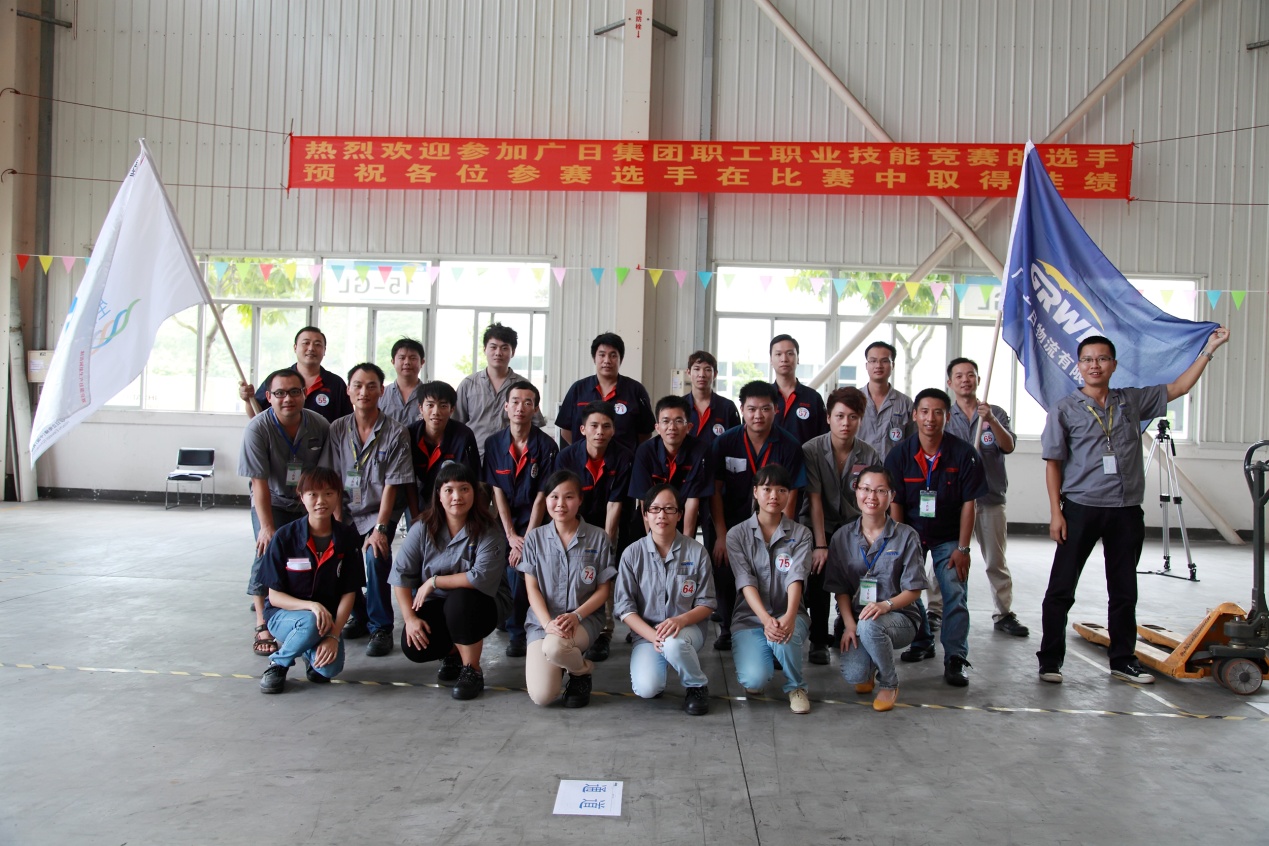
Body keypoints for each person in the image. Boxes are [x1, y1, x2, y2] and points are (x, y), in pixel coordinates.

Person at [1038, 328, 1230, 685]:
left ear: (1113, 364)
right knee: (1061, 589)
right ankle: (1050, 661)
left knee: (1124, 591)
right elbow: (1053, 464)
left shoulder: (1131, 400)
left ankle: (1123, 660)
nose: (1095, 365)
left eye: (1102, 359)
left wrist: (1209, 348)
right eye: (1087, 359)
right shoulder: (1064, 409)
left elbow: (1179, 387)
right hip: (1080, 508)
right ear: (1079, 366)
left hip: (1126, 511)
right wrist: (1056, 512)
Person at [884, 388, 987, 687]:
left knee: (954, 591)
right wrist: (901, 545)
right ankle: (923, 640)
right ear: (915, 415)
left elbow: (970, 504)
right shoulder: (900, 455)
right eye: (925, 411)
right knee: (908, 586)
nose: (931, 418)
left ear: (948, 416)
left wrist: (963, 548)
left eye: (938, 412)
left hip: (949, 536)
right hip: (912, 535)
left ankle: (955, 657)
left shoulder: (964, 454)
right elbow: (896, 503)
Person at [389, 462, 511, 700]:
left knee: (460, 602)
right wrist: (410, 619)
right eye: (449, 490)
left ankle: (472, 670)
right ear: (439, 495)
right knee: (414, 646)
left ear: (474, 493)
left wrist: (434, 582)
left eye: (464, 489)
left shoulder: (489, 530)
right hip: (438, 603)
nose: (457, 497)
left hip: (483, 602)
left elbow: (480, 578)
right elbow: (401, 575)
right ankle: (452, 652)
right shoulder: (422, 528)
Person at [321, 363, 415, 658]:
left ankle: (380, 627)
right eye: (358, 386)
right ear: (349, 391)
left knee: (376, 555)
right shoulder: (337, 428)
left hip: (379, 510)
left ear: (381, 391)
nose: (364, 392)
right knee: (340, 557)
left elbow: (392, 485)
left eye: (371, 386)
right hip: (346, 509)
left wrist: (381, 529)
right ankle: (358, 615)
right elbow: (332, 478)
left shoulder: (396, 432)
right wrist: (338, 522)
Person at [238, 368, 330, 656]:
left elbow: (323, 476)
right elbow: (259, 483)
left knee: (311, 553)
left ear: (305, 394)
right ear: (269, 397)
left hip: (306, 502)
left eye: (294, 392)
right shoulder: (257, 429)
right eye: (279, 393)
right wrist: (267, 527)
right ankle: (262, 622)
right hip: (273, 500)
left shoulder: (319, 425)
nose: (287, 398)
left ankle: (306, 612)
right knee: (267, 549)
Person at [709, 380, 807, 651]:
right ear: (741, 409)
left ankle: (773, 624)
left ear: (776, 410)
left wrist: (782, 537)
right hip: (731, 522)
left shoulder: (789, 446)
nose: (758, 415)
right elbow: (714, 491)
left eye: (765, 409)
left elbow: (792, 494)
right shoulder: (725, 442)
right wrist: (721, 535)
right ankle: (728, 628)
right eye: (751, 409)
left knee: (773, 574)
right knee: (726, 571)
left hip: (773, 524)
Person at [824, 466, 927, 711]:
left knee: (870, 626)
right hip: (858, 618)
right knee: (855, 675)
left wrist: (885, 605)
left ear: (892, 495)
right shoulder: (842, 537)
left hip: (899, 616)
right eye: (866, 489)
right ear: (856, 492)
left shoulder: (906, 536)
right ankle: (869, 666)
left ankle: (889, 683)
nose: (872, 496)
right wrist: (849, 624)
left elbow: (914, 590)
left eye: (881, 491)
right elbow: (840, 590)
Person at [257, 467, 364, 694]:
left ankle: (307, 648)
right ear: (302, 496)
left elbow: (350, 592)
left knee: (327, 670)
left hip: (326, 621)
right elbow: (274, 597)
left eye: (328, 493)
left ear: (338, 495)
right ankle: (278, 663)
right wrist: (311, 606)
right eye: (313, 494)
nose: (321, 501)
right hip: (283, 616)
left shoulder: (347, 537)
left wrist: (334, 635)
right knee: (310, 621)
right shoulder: (284, 537)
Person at [944, 357, 1028, 638]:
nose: (965, 380)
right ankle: (935, 610)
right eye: (959, 376)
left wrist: (990, 420)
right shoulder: (945, 416)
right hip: (955, 502)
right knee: (946, 557)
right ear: (950, 382)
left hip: (990, 498)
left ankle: (1003, 613)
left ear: (979, 380)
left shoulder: (995, 413)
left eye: (970, 375)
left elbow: (1008, 446)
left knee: (995, 561)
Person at [615, 483, 716, 715]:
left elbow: (707, 602)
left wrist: (680, 621)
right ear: (645, 514)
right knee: (646, 688)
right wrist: (653, 637)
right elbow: (624, 608)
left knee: (674, 643)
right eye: (655, 509)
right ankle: (663, 663)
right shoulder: (632, 554)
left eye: (669, 509)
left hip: (687, 630)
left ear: (679, 515)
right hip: (647, 633)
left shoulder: (697, 552)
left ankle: (696, 685)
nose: (662, 515)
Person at [519, 470, 616, 708]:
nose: (560, 504)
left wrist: (576, 615)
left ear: (580, 500)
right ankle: (575, 665)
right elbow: (532, 588)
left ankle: (574, 666)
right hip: (543, 621)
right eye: (554, 496)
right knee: (542, 696)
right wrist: (547, 624)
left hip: (583, 619)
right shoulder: (534, 539)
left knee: (554, 647)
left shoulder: (598, 538)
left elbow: (603, 590)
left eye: (569, 497)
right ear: (546, 500)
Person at [802, 386, 880, 665]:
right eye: (840, 416)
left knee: (861, 574)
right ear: (828, 418)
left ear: (860, 419)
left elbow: (872, 500)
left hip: (853, 526)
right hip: (816, 524)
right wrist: (821, 545)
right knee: (819, 576)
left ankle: (852, 627)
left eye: (853, 417)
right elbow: (814, 500)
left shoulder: (869, 455)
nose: (846, 423)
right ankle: (818, 640)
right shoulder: (811, 450)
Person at [551, 401, 634, 661]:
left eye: (606, 426)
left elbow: (615, 503)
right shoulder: (567, 457)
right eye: (594, 426)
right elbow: (562, 497)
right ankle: (568, 623)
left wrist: (606, 543)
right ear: (583, 429)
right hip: (574, 522)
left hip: (610, 523)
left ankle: (603, 634)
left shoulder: (623, 457)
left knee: (604, 574)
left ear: (613, 430)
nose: (600, 431)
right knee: (577, 574)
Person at [728, 464, 814, 714]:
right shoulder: (737, 535)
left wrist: (789, 616)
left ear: (789, 494)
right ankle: (764, 653)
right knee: (754, 681)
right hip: (750, 618)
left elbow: (796, 578)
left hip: (789, 613)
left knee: (783, 635)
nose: (774, 496)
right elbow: (745, 581)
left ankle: (796, 687)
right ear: (755, 492)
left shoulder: (801, 533)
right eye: (767, 489)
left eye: (781, 490)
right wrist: (766, 620)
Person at [484, 379, 559, 658]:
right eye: (515, 402)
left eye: (528, 402)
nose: (520, 408)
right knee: (497, 564)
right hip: (503, 522)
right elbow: (497, 493)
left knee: (519, 566)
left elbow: (542, 498)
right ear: (506, 407)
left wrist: (526, 538)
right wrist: (510, 535)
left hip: (535, 523)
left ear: (535, 409)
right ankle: (504, 615)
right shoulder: (494, 444)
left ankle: (518, 633)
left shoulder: (547, 446)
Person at [454, 322, 545, 459]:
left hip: (511, 459)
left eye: (504, 348)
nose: (498, 353)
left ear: (513, 352)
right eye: (493, 347)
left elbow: (536, 424)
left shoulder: (523, 386)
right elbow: (456, 424)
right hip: (474, 457)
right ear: (484, 349)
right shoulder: (468, 384)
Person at [555, 332, 654, 454]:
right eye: (602, 355)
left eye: (613, 355)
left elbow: (645, 432)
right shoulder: (578, 389)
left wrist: (626, 453)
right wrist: (585, 451)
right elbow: (565, 430)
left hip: (623, 462)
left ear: (621, 359)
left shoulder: (636, 390)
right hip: (583, 462)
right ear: (594, 358)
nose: (607, 361)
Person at [629, 395, 713, 538]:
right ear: (657, 427)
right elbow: (644, 500)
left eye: (678, 421)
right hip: (650, 517)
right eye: (666, 421)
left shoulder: (700, 451)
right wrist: (652, 541)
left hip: (682, 515)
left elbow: (692, 501)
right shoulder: (645, 452)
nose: (672, 427)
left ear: (689, 427)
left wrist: (687, 542)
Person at [239, 326, 353, 423]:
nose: (311, 348)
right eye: (306, 343)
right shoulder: (277, 380)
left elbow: (347, 421)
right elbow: (256, 415)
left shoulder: (336, 383)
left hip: (324, 442)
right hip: (281, 441)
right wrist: (248, 399)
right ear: (295, 348)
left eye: (317, 344)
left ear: (324, 350)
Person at [404, 380, 480, 517]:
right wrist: (416, 516)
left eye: (443, 406)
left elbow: (472, 478)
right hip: (418, 501)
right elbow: (408, 481)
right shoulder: (410, 435)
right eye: (430, 405)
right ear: (420, 408)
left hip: (454, 503)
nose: (436, 412)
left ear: (452, 409)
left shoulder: (463, 435)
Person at [770, 334, 828, 446]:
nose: (784, 359)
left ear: (798, 359)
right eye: (778, 354)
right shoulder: (764, 397)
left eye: (790, 353)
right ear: (771, 360)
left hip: (804, 457)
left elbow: (823, 438)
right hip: (768, 457)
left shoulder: (813, 398)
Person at [858, 341, 913, 459]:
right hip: (858, 466)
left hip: (893, 467)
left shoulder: (905, 403)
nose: (878, 365)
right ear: (866, 365)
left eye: (884, 361)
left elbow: (912, 441)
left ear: (893, 365)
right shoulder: (853, 400)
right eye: (873, 361)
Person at [684, 350, 741, 453]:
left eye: (707, 369)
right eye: (697, 369)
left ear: (715, 374)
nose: (702, 374)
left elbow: (736, 442)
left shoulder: (727, 407)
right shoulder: (679, 405)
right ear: (688, 372)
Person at [379, 337, 426, 425]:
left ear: (422, 362)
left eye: (413, 358)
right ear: (393, 362)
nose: (407, 362)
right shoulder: (381, 395)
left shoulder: (429, 395)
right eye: (402, 358)